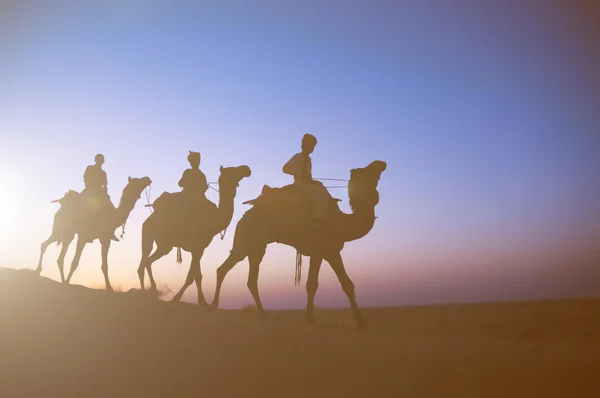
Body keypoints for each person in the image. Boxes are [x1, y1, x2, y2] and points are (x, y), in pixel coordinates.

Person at [282, 134, 330, 223]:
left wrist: (313, 181)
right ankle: (318, 220)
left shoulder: (308, 160)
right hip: (299, 185)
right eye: (311, 145)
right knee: (322, 193)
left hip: (305, 184)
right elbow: (285, 169)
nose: (312, 148)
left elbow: (308, 177)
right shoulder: (298, 156)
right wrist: (298, 173)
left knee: (322, 187)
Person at [82, 153, 118, 240]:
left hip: (100, 193)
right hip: (89, 191)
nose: (100, 162)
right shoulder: (89, 168)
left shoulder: (103, 173)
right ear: (96, 160)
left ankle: (111, 232)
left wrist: (105, 195)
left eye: (101, 161)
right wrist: (91, 188)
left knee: (112, 210)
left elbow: (105, 185)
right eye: (99, 160)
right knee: (91, 208)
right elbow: (85, 178)